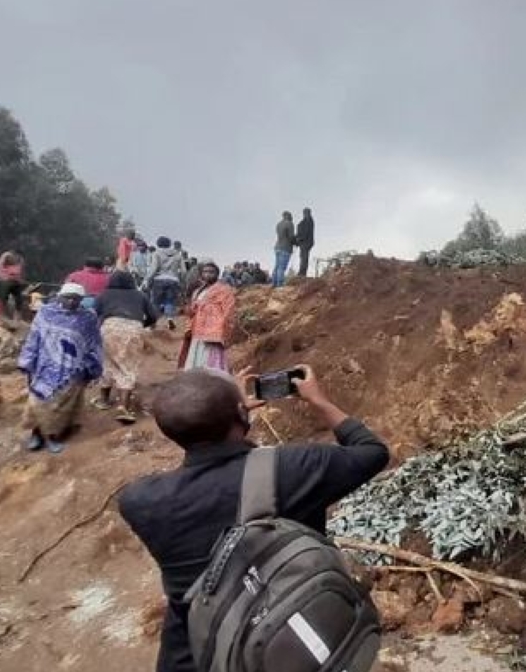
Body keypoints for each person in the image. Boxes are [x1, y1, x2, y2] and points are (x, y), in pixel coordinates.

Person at [117, 366, 389, 672]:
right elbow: (372, 452)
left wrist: (227, 409)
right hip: (291, 642)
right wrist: (319, 401)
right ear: (241, 411)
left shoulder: (141, 501)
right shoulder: (292, 469)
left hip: (198, 653)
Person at [17, 283, 103, 454]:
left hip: (72, 369)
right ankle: (36, 433)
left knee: (61, 405)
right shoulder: (46, 313)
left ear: (81, 300)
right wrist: (27, 362)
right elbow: (34, 337)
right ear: (59, 296)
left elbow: (94, 343)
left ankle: (52, 436)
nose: (71, 301)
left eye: (76, 299)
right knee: (38, 400)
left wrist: (92, 367)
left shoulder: (87, 318)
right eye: (67, 297)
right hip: (45, 365)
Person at [94, 271, 159, 423]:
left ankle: (104, 401)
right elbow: (153, 316)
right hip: (133, 329)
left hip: (109, 328)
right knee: (128, 367)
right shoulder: (140, 295)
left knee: (107, 363)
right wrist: (141, 325)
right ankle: (123, 407)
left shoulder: (104, 294)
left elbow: (93, 313)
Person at [179, 260, 237, 372]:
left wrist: (223, 330)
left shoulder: (224, 290)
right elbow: (192, 310)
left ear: (217, 274)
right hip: (197, 330)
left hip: (213, 332)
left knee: (210, 358)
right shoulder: (197, 291)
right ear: (201, 274)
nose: (208, 274)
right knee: (196, 354)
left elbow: (229, 311)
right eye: (205, 272)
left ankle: (213, 381)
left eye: (211, 272)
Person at [144, 236, 186, 330]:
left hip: (159, 280)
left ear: (158, 244)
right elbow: (183, 271)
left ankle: (152, 323)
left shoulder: (156, 253)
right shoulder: (178, 255)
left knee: (155, 302)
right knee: (170, 301)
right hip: (173, 280)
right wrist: (181, 280)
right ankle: (170, 319)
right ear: (169, 244)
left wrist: (147, 279)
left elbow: (154, 268)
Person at [0, 250, 26, 319]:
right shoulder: (6, 259)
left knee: (19, 299)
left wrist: (20, 279)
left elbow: (20, 271)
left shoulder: (19, 261)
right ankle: (1, 315)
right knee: (4, 298)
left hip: (16, 282)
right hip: (7, 282)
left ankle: (17, 317)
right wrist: (4, 277)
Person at [272, 210, 295, 287]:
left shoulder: (278, 224)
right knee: (282, 267)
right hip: (285, 248)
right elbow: (291, 237)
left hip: (277, 247)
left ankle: (274, 283)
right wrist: (297, 242)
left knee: (277, 266)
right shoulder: (289, 223)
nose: (292, 218)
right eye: (291, 216)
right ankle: (280, 285)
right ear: (288, 216)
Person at [296, 206, 316, 277]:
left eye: (306, 212)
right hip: (305, 242)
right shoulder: (306, 221)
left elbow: (306, 232)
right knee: (303, 257)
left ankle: (302, 273)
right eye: (304, 212)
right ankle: (301, 272)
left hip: (306, 242)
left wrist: (299, 239)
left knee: (304, 257)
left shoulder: (309, 220)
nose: (305, 214)